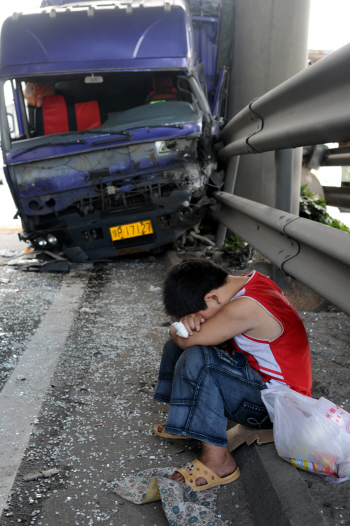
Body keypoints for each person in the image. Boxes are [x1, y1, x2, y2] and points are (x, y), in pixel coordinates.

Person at [153, 257, 312, 491]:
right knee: (177, 343)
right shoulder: (252, 282)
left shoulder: (245, 307)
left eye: (200, 315)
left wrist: (176, 326)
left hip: (280, 409)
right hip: (260, 384)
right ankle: (183, 418)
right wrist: (183, 325)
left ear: (212, 298)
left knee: (197, 357)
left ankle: (219, 462)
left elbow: (187, 340)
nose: (201, 321)